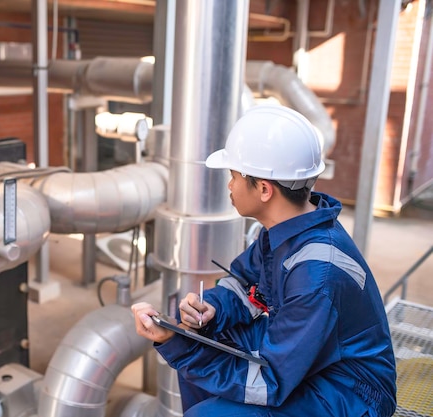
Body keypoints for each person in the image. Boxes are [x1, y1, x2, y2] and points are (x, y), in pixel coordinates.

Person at [132, 105, 397, 416]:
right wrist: (214, 308)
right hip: (314, 359)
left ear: (264, 189)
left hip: (352, 390)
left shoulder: (317, 275)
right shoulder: (285, 232)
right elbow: (245, 284)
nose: (229, 185)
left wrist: (178, 346)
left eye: (233, 176)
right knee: (202, 340)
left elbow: (270, 380)